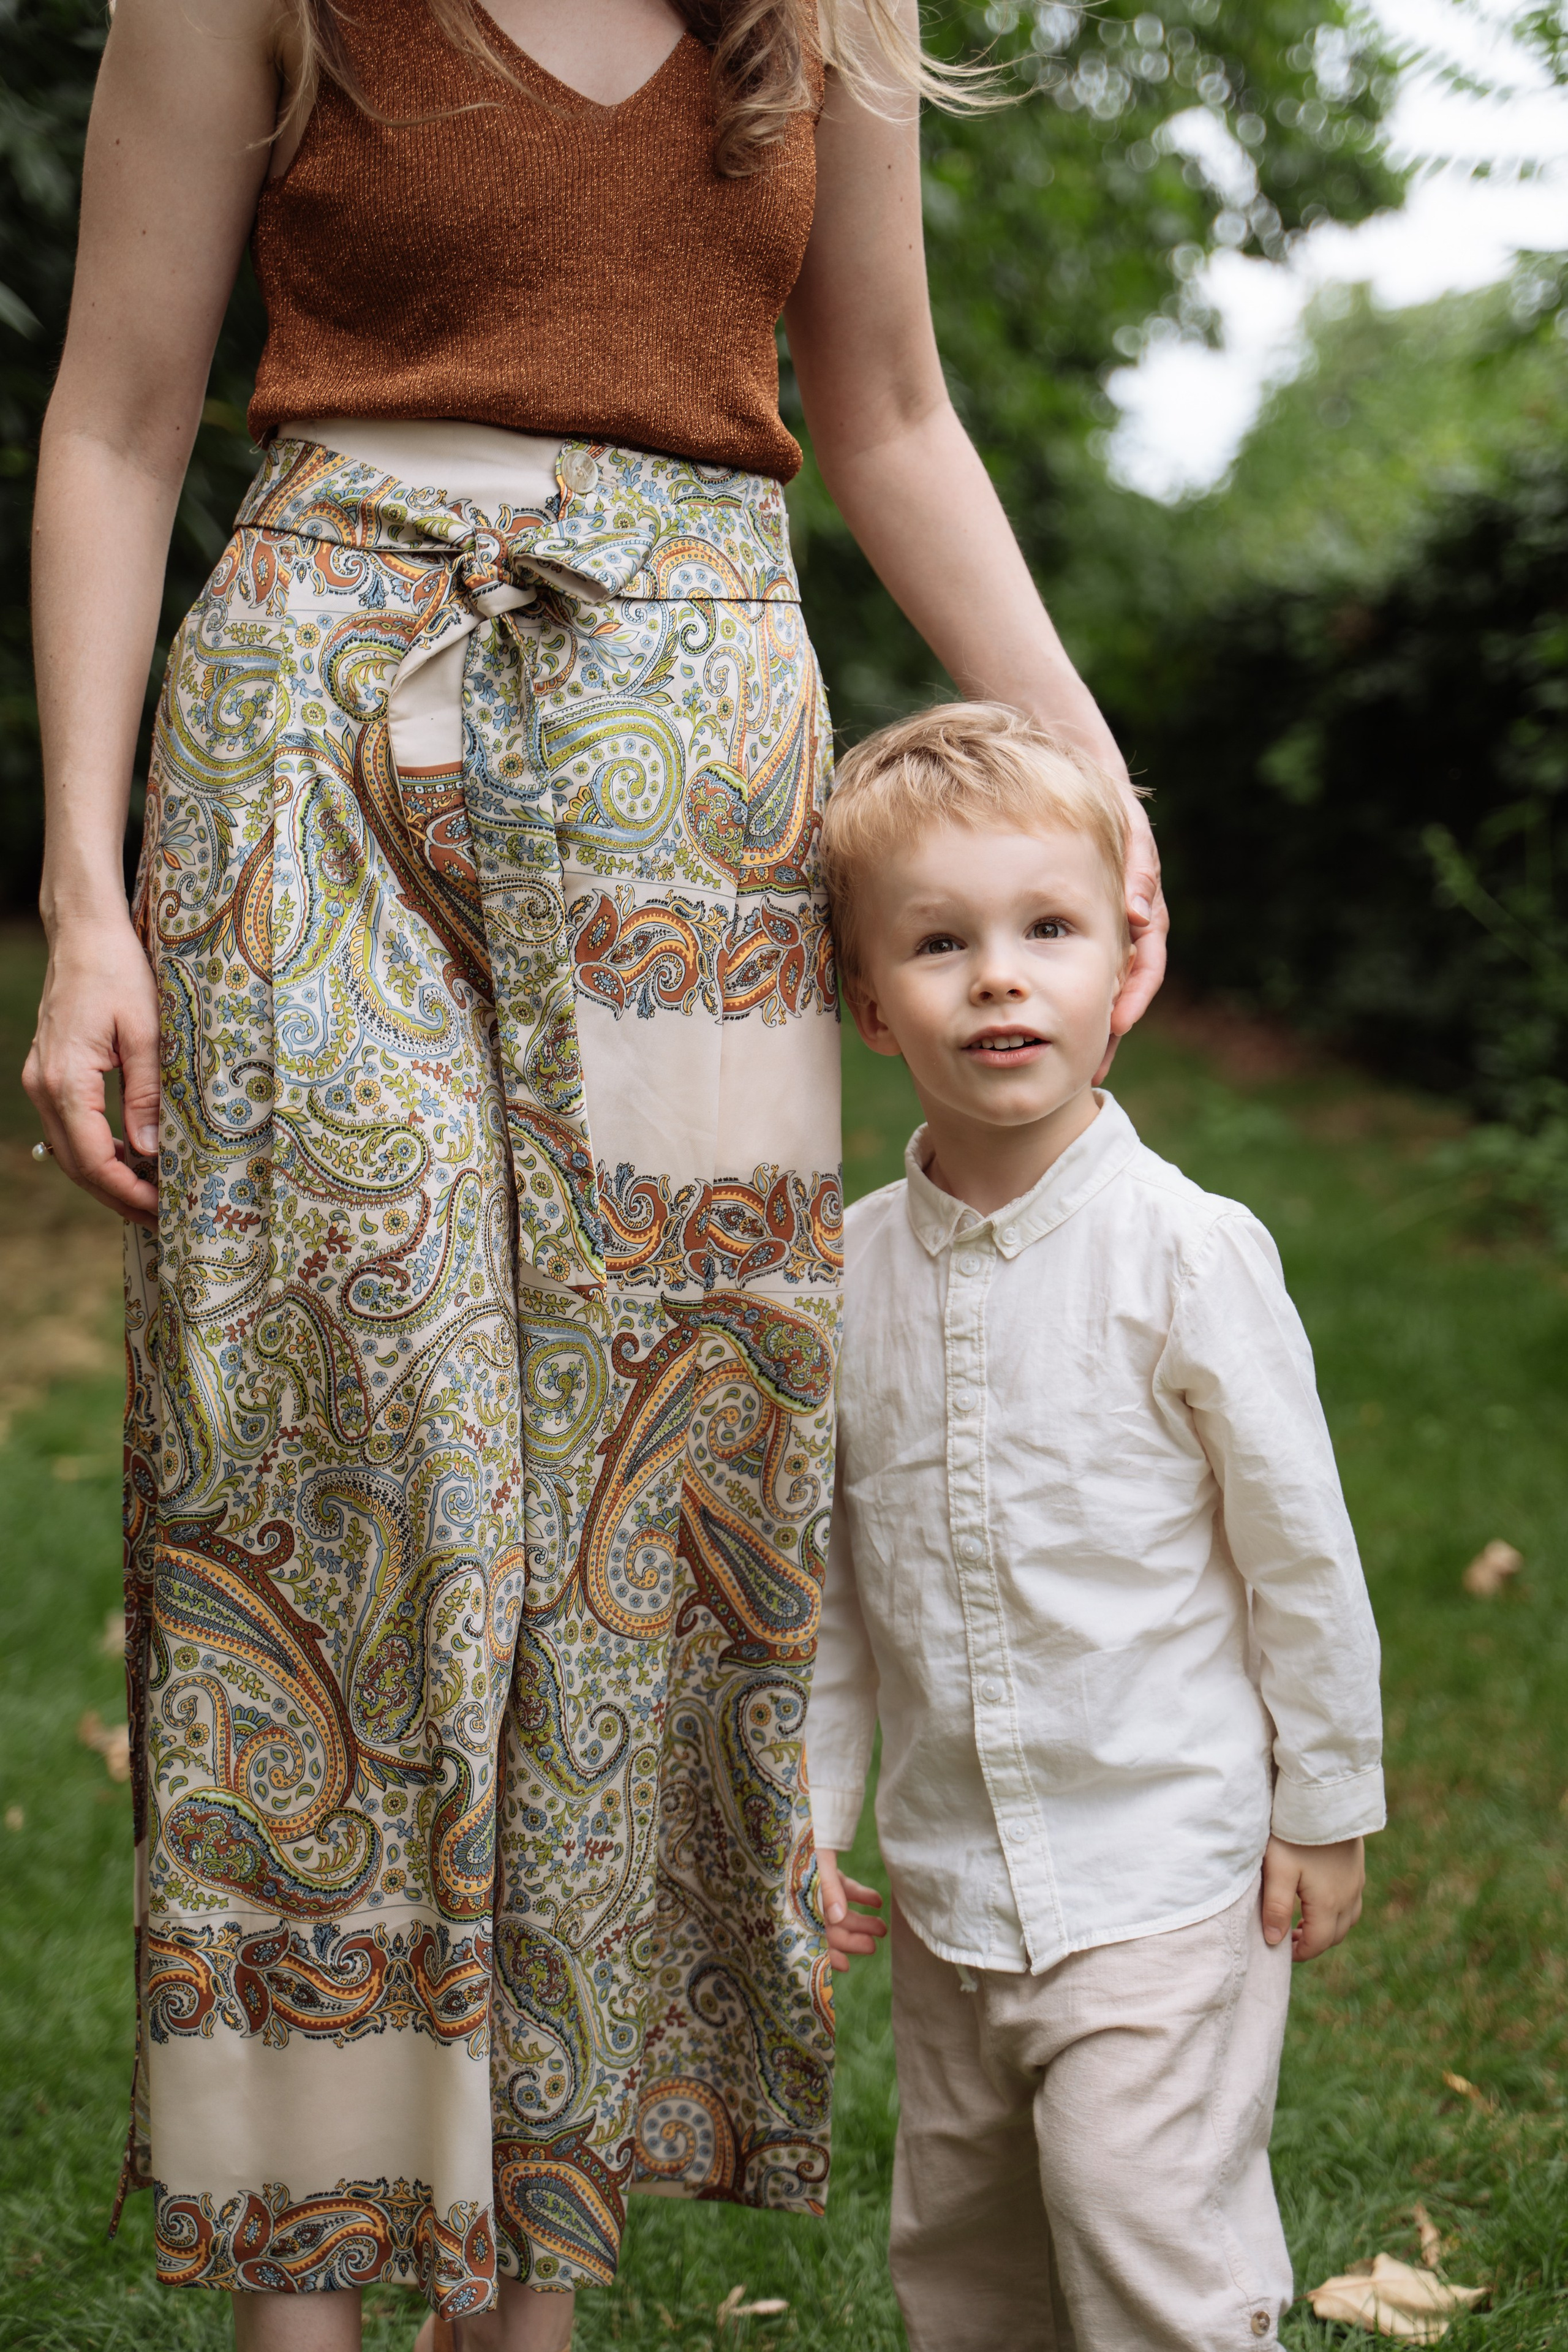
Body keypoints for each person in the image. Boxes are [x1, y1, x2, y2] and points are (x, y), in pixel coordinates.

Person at [21, 4, 1167, 2348]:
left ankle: (529, 2288)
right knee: (330, 1486)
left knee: (646, 1520)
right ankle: (304, 2282)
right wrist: (82, 897)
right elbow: (123, 418)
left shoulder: (829, 8)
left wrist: (1089, 768)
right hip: (307, 754)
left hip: (693, 763)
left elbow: (892, 409)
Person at [807, 701, 1385, 2352]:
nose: (1001, 976)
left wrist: (1325, 1799)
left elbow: (1300, 1553)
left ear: (1123, 959)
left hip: (1161, 1866)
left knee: (1149, 2243)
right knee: (967, 2254)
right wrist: (814, 1811)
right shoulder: (848, 1276)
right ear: (867, 1000)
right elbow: (842, 1585)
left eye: (1047, 930)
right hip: (950, 1885)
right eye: (940, 943)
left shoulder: (1187, 1254)